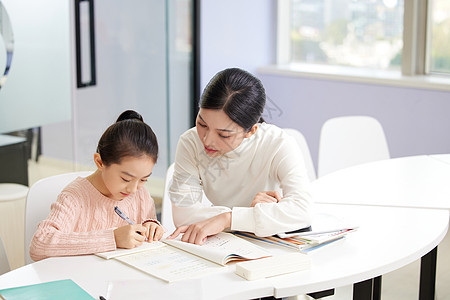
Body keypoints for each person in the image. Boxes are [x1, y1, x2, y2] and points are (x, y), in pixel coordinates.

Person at [168, 68, 312, 245]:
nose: (207, 140)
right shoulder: (190, 143)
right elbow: (184, 215)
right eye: (202, 124)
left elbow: (303, 212)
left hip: (271, 245)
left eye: (224, 135)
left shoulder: (278, 144)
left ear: (251, 130)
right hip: (225, 245)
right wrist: (259, 215)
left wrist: (226, 219)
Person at [30, 110, 164, 261]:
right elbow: (39, 244)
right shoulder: (75, 197)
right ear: (100, 162)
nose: (133, 189)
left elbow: (145, 231)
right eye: (126, 179)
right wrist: (112, 238)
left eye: (143, 179)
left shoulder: (141, 195)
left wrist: (151, 226)